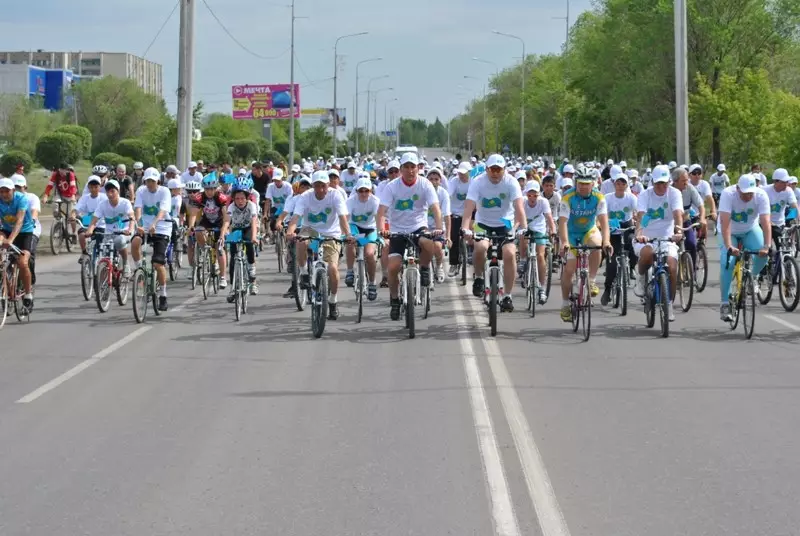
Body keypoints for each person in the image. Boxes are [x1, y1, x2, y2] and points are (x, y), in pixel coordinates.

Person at [375, 152, 443, 321]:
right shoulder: (392, 187)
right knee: (393, 267)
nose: (410, 170)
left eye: (413, 167)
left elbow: (435, 208)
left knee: (429, 243)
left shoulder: (425, 184)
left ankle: (425, 268)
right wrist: (381, 230)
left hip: (418, 227)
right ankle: (395, 300)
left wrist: (439, 228)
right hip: (397, 230)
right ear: (401, 169)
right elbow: (381, 212)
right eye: (407, 167)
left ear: (418, 168)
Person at [460, 154, 526, 312]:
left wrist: (523, 228)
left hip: (505, 223)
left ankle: (507, 295)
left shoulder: (511, 182)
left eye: (499, 170)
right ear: (486, 169)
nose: (495, 173)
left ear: (504, 170)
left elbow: (519, 207)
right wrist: (465, 228)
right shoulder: (477, 182)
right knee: (481, 247)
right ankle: (479, 277)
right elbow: (469, 207)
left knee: (510, 253)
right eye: (492, 169)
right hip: (483, 222)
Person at [286, 170, 353, 321]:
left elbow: (342, 218)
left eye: (323, 186)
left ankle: (333, 301)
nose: (321, 189)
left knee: (333, 269)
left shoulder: (335, 195)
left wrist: (348, 234)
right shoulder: (305, 196)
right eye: (317, 186)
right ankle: (304, 272)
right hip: (310, 229)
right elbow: (296, 217)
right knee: (300, 241)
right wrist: (290, 231)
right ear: (312, 186)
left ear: (328, 185)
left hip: (331, 233)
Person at [558, 169, 612, 322]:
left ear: (593, 184)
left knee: (596, 244)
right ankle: (565, 304)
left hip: (588, 230)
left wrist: (607, 241)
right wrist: (564, 242)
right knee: (569, 269)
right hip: (570, 233)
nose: (583, 187)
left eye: (586, 184)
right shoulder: (568, 197)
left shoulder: (599, 197)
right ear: (576, 183)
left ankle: (592, 280)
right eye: (580, 183)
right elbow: (562, 222)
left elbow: (604, 223)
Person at [633, 165, 684, 322]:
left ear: (669, 181)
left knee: (672, 267)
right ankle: (641, 278)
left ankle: (669, 304)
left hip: (667, 238)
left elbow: (677, 214)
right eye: (658, 183)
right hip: (646, 238)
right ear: (653, 182)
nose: (661, 186)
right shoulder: (645, 195)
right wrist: (640, 234)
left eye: (664, 183)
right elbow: (641, 216)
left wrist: (678, 231)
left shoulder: (674, 193)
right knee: (647, 254)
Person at [717, 174, 771, 321]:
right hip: (729, 231)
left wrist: (767, 246)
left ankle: (751, 278)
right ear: (737, 188)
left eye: (751, 193)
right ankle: (725, 303)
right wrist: (729, 246)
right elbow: (725, 223)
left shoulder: (761, 195)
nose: (748, 196)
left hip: (750, 229)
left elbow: (766, 222)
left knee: (763, 256)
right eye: (745, 193)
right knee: (727, 262)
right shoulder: (728, 194)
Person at [132, 168, 173, 311]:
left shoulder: (164, 191)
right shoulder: (141, 191)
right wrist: (139, 224)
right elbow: (138, 208)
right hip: (145, 227)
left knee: (157, 262)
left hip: (161, 227)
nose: (149, 184)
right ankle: (139, 270)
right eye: (147, 181)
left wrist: (154, 224)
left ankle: (163, 294)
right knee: (135, 242)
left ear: (158, 181)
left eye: (152, 181)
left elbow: (162, 211)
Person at [85, 180, 136, 279]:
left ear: (118, 191)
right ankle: (103, 282)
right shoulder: (102, 204)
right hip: (109, 233)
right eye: (108, 191)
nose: (110, 194)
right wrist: (90, 229)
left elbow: (132, 217)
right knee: (104, 255)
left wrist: (130, 229)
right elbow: (94, 220)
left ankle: (125, 263)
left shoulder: (125, 203)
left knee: (120, 240)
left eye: (112, 191)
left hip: (124, 232)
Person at [187, 174, 230, 289]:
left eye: (212, 189)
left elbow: (226, 217)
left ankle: (223, 277)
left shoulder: (221, 197)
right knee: (197, 231)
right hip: (206, 221)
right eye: (207, 189)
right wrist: (191, 226)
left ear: (216, 188)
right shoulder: (199, 197)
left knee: (219, 248)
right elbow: (194, 214)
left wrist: (223, 232)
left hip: (219, 221)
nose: (209, 192)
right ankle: (204, 250)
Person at [601, 172, 638, 305]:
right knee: (611, 262)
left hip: (627, 226)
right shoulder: (607, 198)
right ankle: (607, 289)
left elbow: (639, 213)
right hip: (612, 229)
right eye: (618, 183)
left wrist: (640, 225)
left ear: (627, 185)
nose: (620, 186)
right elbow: (602, 214)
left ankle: (631, 267)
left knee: (635, 245)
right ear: (614, 184)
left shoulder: (631, 198)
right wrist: (602, 224)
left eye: (623, 183)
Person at [221, 178, 260, 300]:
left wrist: (254, 237)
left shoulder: (252, 206)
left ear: (247, 198)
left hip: (249, 228)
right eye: (237, 198)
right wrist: (222, 235)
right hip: (236, 229)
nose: (240, 201)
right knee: (233, 257)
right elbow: (227, 222)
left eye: (242, 198)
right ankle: (233, 288)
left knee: (249, 244)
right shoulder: (231, 207)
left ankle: (252, 271)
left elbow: (254, 222)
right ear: (233, 198)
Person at [519, 180, 555, 305]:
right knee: (522, 237)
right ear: (526, 194)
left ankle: (542, 288)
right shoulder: (522, 201)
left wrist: (553, 230)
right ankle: (522, 260)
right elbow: (517, 217)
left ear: (538, 194)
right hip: (525, 226)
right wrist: (514, 229)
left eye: (535, 195)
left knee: (540, 256)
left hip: (539, 228)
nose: (532, 198)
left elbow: (549, 217)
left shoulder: (543, 202)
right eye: (529, 195)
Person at [345, 178, 381, 301]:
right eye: (361, 191)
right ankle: (350, 271)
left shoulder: (375, 201)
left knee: (369, 254)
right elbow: (345, 218)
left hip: (370, 229)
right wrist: (346, 234)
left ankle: (372, 283)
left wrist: (380, 234)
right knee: (350, 243)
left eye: (367, 191)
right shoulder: (350, 201)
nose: (364, 194)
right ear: (356, 191)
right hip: (355, 227)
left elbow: (378, 218)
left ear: (371, 191)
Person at [11, 174, 41, 286]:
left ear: (25, 187)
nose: (18, 190)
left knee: (29, 255)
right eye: (15, 188)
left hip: (31, 230)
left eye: (20, 187)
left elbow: (34, 212)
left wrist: (31, 221)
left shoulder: (32, 198)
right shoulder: (6, 199)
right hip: (12, 230)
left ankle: (30, 281)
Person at [425, 167, 451, 284]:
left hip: (438, 227)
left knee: (437, 246)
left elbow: (447, 215)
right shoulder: (422, 192)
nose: (433, 181)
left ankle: (439, 266)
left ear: (440, 181)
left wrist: (448, 236)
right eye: (431, 179)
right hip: (424, 226)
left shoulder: (443, 193)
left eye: (436, 179)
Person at [762, 168, 798, 252]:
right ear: (775, 181)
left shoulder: (788, 191)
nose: (786, 184)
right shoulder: (764, 190)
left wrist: (796, 218)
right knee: (766, 250)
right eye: (784, 182)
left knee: (782, 250)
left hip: (779, 224)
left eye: (787, 182)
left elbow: (794, 206)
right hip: (763, 224)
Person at [447, 161, 472, 277]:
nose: (461, 175)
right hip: (455, 213)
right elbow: (449, 194)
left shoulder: (473, 182)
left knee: (476, 236)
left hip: (470, 214)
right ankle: (453, 263)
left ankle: (472, 256)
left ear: (469, 172)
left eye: (464, 173)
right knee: (454, 238)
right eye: (460, 173)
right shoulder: (454, 181)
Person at [75, 176, 108, 260]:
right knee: (81, 235)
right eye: (91, 187)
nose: (93, 189)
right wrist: (72, 215)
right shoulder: (85, 197)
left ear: (100, 187)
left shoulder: (104, 197)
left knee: (100, 244)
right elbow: (77, 209)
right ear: (88, 187)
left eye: (96, 187)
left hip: (101, 224)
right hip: (87, 222)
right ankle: (84, 252)